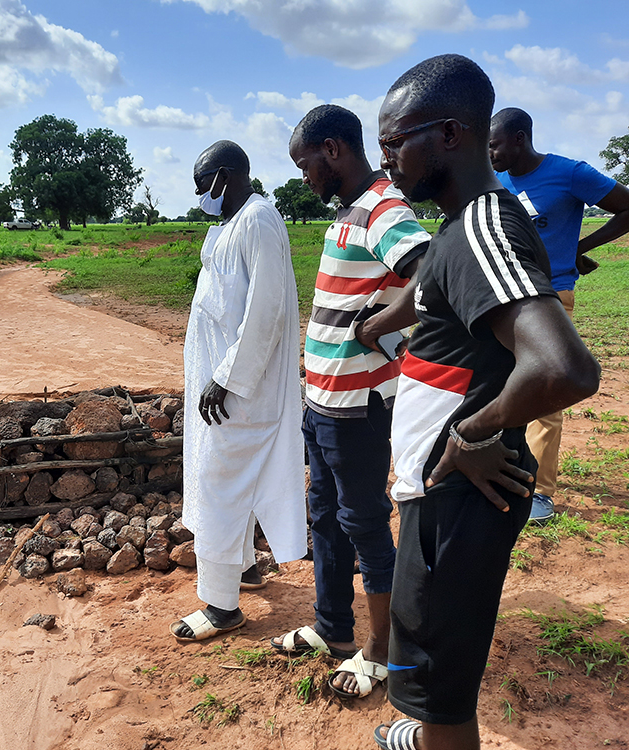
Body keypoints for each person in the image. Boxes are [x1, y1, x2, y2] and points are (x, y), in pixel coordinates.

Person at [373, 54, 600, 750]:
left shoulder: (481, 227)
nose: (387, 161)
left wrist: (473, 431)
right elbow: (433, 290)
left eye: (394, 142)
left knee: (438, 679)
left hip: (458, 490)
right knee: (427, 664)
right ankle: (423, 731)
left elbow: (564, 369)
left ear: (450, 135)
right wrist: (377, 322)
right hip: (437, 487)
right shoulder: (458, 226)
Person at [270, 105, 430, 700]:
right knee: (326, 519)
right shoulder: (348, 213)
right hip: (324, 401)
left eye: (304, 163)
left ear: (332, 149)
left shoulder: (383, 208)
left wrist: (383, 323)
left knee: (363, 524)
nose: (304, 175)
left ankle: (383, 651)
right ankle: (332, 629)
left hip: (360, 404)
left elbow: (432, 271)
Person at [170, 140, 305, 642]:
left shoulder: (259, 219)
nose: (200, 194)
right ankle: (243, 568)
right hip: (224, 388)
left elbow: (265, 309)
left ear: (225, 176)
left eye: (202, 183)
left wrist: (227, 377)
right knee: (232, 480)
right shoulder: (228, 226)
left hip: (240, 391)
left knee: (219, 484)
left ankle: (221, 607)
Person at [489, 107, 629, 524]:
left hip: (551, 295)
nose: (490, 154)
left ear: (519, 138)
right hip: (502, 296)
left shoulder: (570, 173)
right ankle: (506, 469)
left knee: (545, 389)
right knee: (499, 385)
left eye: (494, 145)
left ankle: (541, 492)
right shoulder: (495, 182)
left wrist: (578, 248)